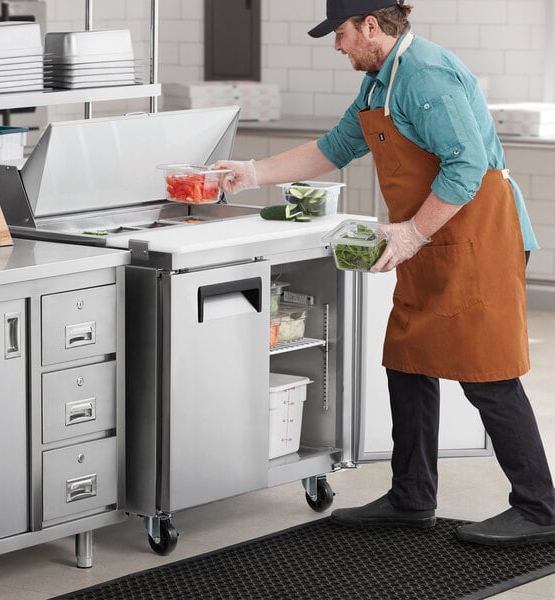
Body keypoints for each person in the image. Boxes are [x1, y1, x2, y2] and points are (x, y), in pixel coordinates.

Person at [214, 0, 555, 545]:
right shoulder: (379, 82)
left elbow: (467, 165)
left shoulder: (427, 75)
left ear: (371, 26)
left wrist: (413, 233)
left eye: (343, 33)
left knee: (487, 372)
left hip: (475, 239)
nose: (338, 45)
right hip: (426, 240)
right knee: (408, 362)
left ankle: (540, 509)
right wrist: (252, 173)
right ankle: (412, 496)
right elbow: (335, 148)